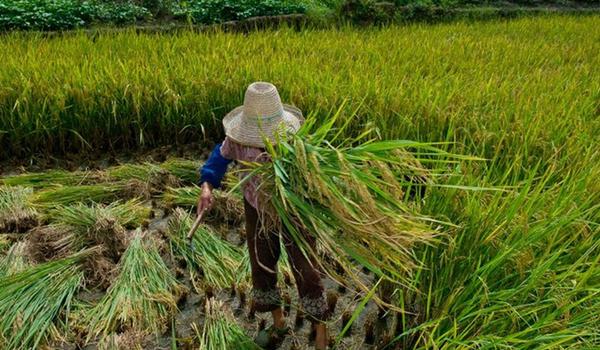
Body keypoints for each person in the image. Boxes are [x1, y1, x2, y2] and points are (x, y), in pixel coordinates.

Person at [197, 82, 329, 349]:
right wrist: (206, 187)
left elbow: (315, 173)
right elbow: (217, 160)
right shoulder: (237, 141)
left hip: (293, 209)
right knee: (262, 263)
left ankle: (321, 332)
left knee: (306, 269)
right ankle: (278, 323)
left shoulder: (292, 140)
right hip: (256, 208)